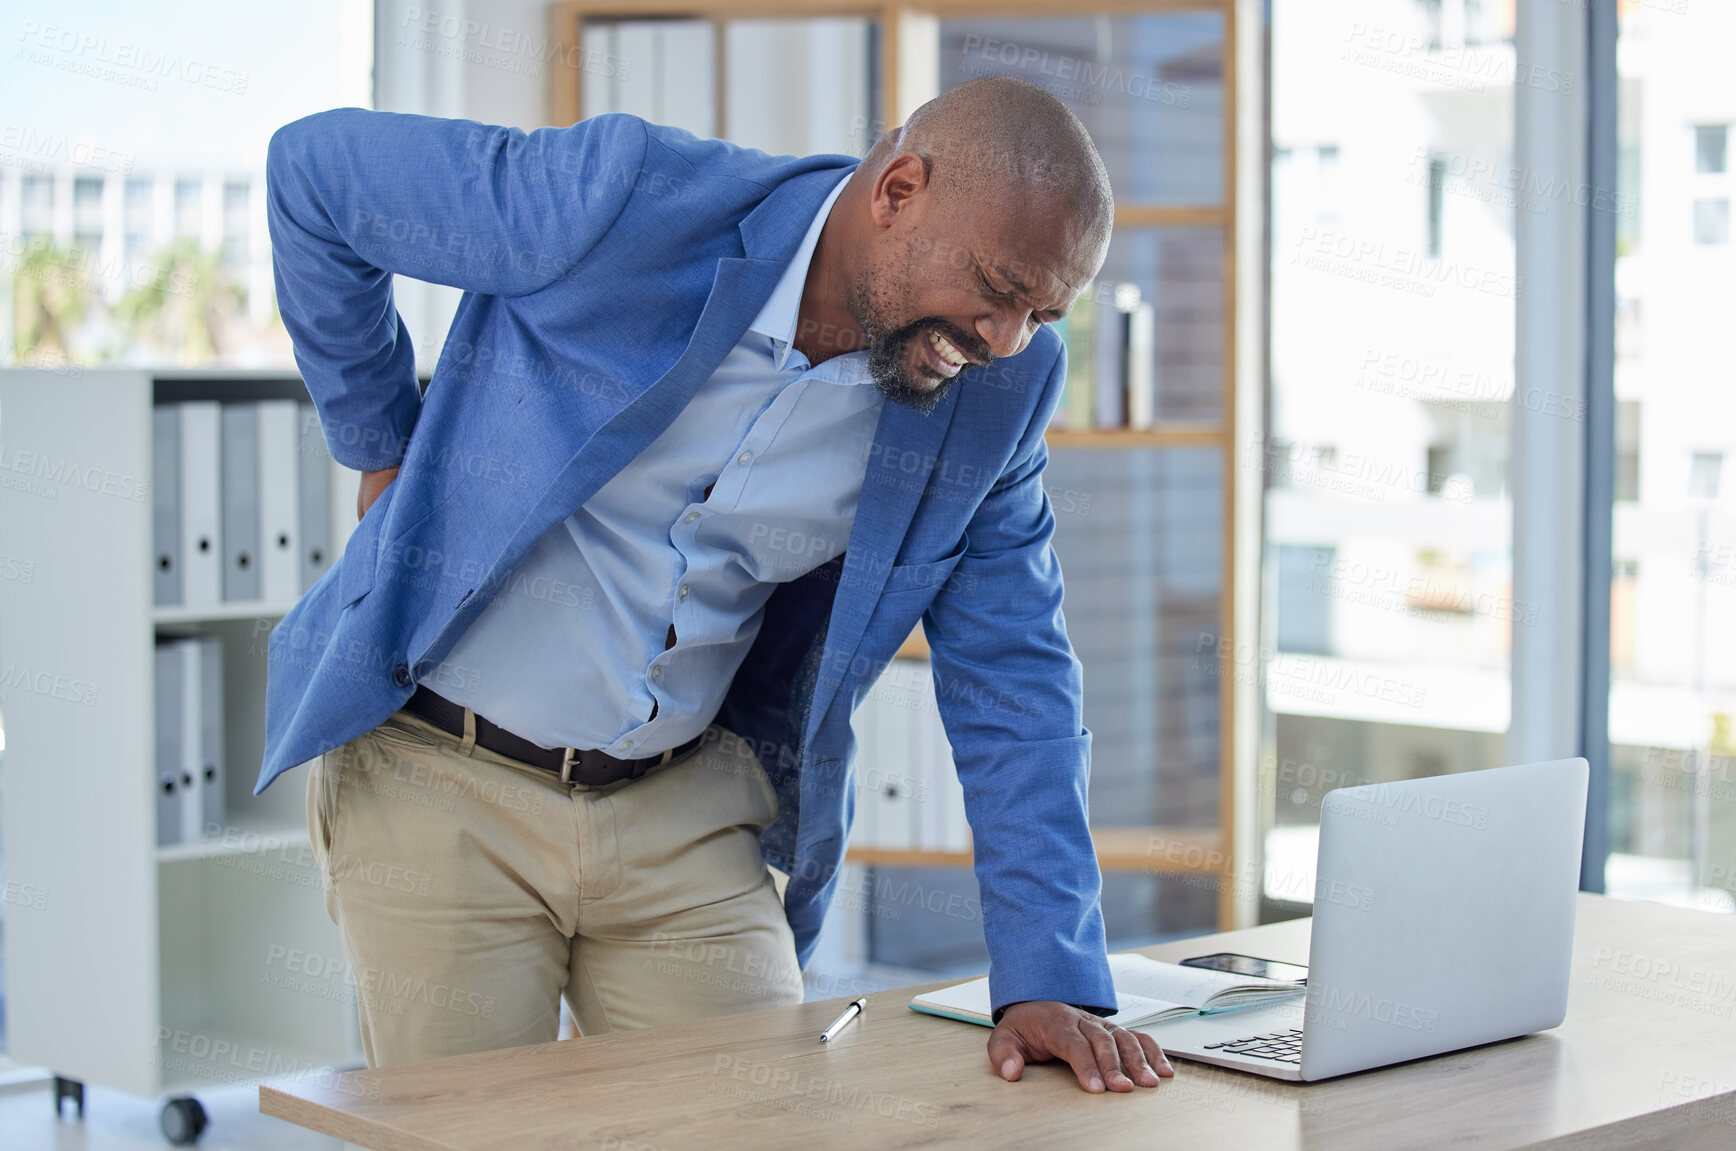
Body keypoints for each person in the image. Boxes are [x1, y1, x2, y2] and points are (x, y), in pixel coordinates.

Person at [258, 74, 1173, 1094]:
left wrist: (1046, 975)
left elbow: (1014, 673)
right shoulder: (623, 198)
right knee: (474, 1127)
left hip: (680, 808)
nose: (1003, 338)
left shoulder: (998, 387)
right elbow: (315, 177)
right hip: (442, 775)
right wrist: (379, 441)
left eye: (1042, 312)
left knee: (765, 1118)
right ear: (898, 188)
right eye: (998, 287)